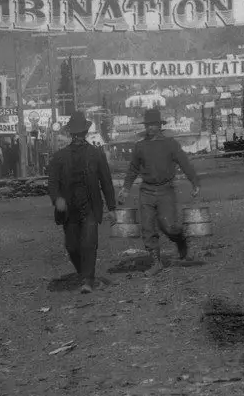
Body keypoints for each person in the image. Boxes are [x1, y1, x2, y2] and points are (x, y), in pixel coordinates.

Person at [121, 107, 201, 276]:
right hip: (146, 192)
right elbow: (133, 169)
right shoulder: (139, 147)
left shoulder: (170, 144)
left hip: (166, 191)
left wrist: (195, 182)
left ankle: (180, 242)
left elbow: (185, 163)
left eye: (154, 124)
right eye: (148, 125)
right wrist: (126, 188)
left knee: (169, 226)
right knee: (148, 228)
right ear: (145, 126)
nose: (151, 128)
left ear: (160, 125)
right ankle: (156, 263)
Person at [47, 115, 117, 294]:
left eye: (81, 134)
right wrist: (57, 199)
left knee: (88, 243)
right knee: (72, 246)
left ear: (85, 133)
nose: (78, 137)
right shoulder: (59, 157)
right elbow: (53, 184)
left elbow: (106, 183)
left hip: (90, 207)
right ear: (71, 134)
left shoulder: (96, 155)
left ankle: (88, 279)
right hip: (69, 211)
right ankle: (83, 273)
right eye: (75, 134)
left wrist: (112, 208)